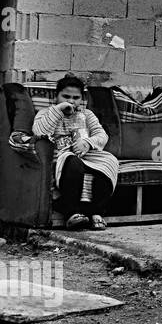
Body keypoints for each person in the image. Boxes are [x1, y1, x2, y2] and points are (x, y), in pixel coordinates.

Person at [32, 75, 119, 230]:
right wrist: (58, 110)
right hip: (61, 157)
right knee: (72, 162)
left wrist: (87, 143)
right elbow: (39, 131)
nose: (71, 101)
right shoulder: (46, 113)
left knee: (109, 161)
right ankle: (72, 213)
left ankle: (96, 213)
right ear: (56, 96)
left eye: (76, 97)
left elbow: (101, 135)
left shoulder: (87, 114)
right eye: (66, 96)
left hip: (86, 155)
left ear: (82, 99)